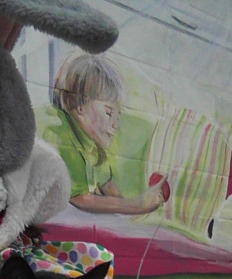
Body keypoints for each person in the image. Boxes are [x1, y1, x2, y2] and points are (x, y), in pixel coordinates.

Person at [43, 53, 167, 215]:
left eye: (118, 115)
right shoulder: (59, 134)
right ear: (80, 108)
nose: (116, 123)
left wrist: (135, 204)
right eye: (109, 113)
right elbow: (78, 198)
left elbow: (106, 184)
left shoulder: (91, 141)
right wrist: (137, 205)